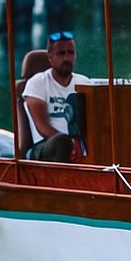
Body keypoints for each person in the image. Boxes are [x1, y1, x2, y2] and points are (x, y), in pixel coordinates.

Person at [23, 30, 88, 162]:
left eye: (70, 53)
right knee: (61, 143)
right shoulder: (37, 82)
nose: (66, 58)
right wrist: (71, 144)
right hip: (45, 145)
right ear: (50, 57)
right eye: (61, 53)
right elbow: (42, 127)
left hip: (79, 144)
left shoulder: (84, 83)